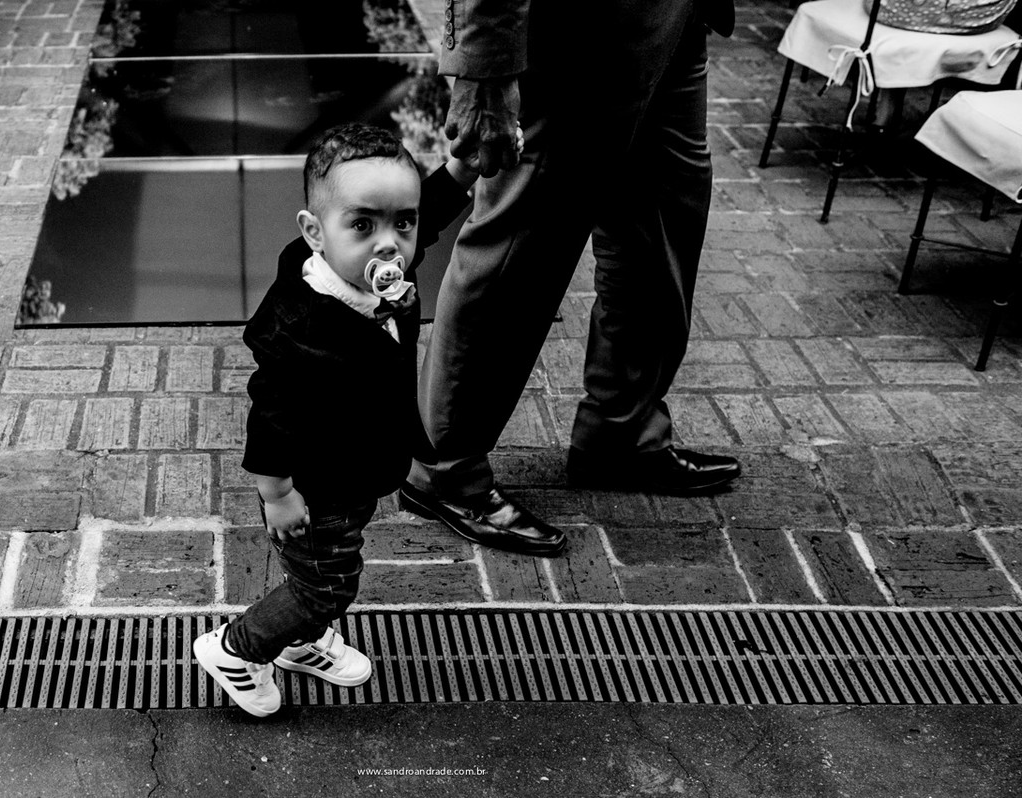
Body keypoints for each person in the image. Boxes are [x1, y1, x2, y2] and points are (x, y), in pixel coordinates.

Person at [398, 0, 741, 558]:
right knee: (524, 240)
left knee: (661, 224)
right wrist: (485, 64)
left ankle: (621, 431)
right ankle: (444, 466)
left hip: (676, 20)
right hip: (578, 31)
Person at [193, 123, 479, 717]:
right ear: (314, 232)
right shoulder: (303, 330)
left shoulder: (366, 271)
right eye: (363, 225)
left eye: (402, 223)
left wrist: (460, 171)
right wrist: (277, 494)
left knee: (329, 567)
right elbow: (272, 413)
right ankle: (238, 650)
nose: (389, 245)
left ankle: (300, 642)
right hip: (314, 487)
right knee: (326, 585)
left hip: (356, 466)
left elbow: (425, 218)